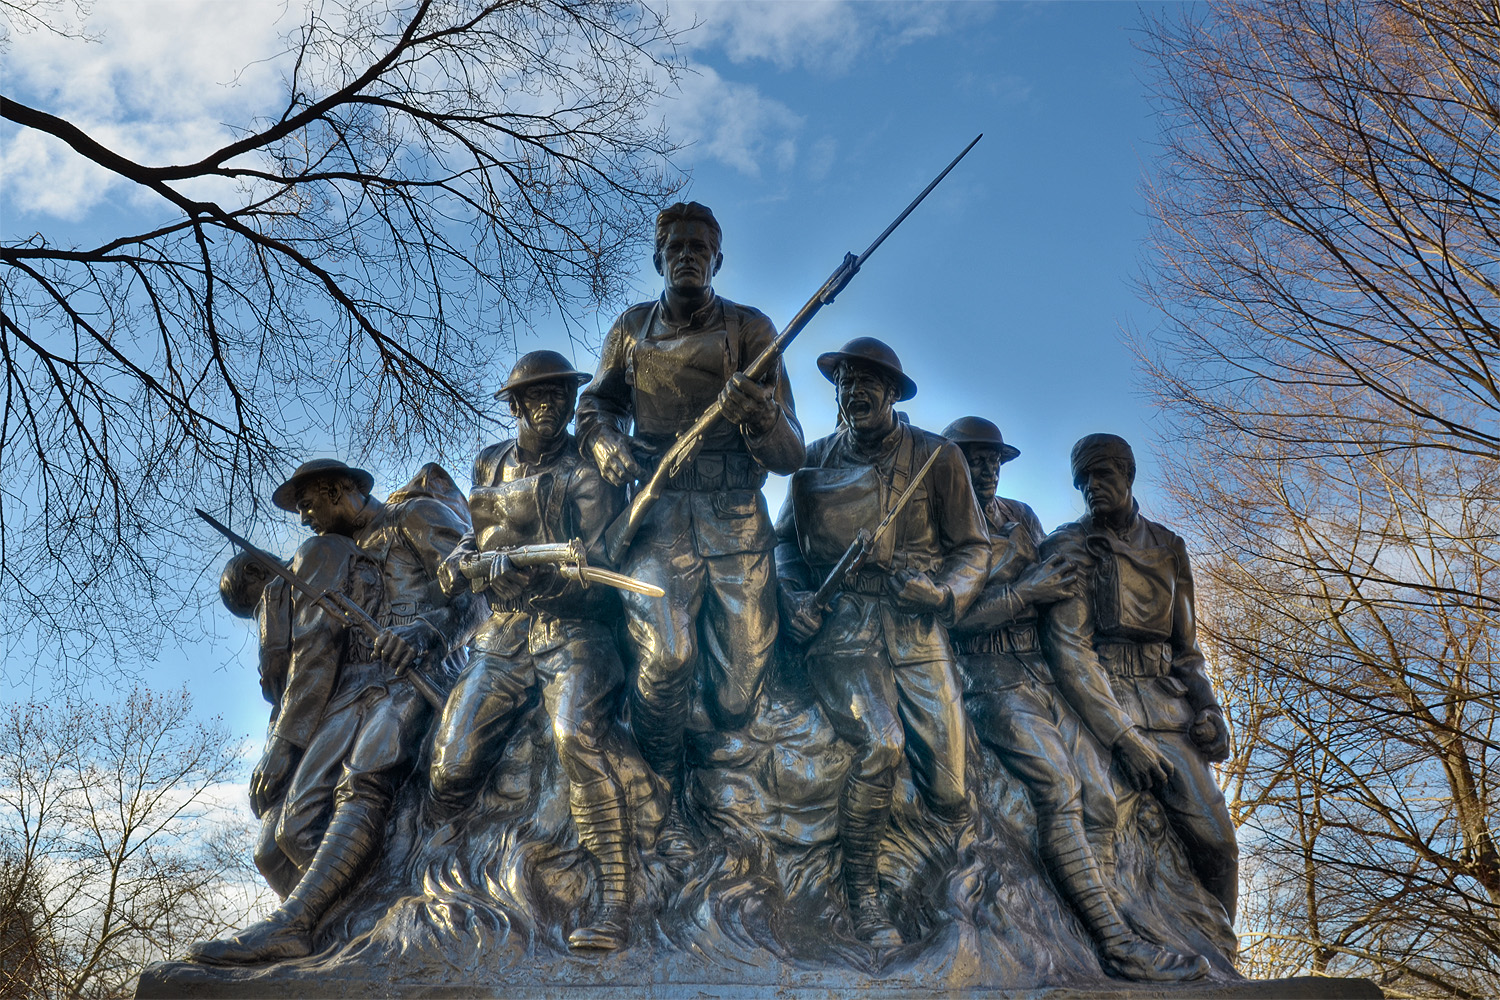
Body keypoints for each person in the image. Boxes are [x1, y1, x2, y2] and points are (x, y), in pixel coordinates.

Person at [191, 459, 486, 964]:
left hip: (422, 675)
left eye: (308, 504)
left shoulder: (416, 517)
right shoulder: (342, 554)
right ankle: (344, 930)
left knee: (366, 769)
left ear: (341, 490)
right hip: (359, 690)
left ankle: (299, 923)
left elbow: (479, 590)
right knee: (286, 831)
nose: (304, 519)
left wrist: (424, 634)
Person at [944, 418, 1207, 981]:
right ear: (948, 464)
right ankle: (1115, 944)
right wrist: (1025, 594)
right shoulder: (936, 524)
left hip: (1041, 672)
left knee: (1102, 796)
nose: (986, 469)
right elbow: (946, 618)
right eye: (972, 458)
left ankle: (1125, 930)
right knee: (1059, 787)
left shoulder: (1020, 518)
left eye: (994, 459)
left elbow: (1059, 591)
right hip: (987, 677)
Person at [576, 202, 804, 849]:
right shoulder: (630, 330)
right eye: (675, 246)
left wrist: (758, 415)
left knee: (735, 695)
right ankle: (661, 791)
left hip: (735, 518)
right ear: (657, 258)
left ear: (718, 260)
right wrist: (605, 444)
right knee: (668, 657)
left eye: (700, 247)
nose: (687, 254)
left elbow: (792, 454)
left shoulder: (752, 329)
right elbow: (594, 407)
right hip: (659, 513)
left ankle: (708, 770)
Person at [775, 338, 988, 947]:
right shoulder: (812, 461)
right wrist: (792, 595)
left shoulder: (938, 457)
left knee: (950, 788)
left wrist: (944, 593)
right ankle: (863, 895)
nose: (854, 392)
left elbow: (975, 548)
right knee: (882, 744)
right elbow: (784, 544)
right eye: (844, 382)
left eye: (868, 382)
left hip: (918, 627)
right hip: (844, 630)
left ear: (893, 393)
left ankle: (935, 892)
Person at [429, 350, 642, 952]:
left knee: (577, 738)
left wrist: (540, 579)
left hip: (573, 631)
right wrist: (463, 561)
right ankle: (447, 892)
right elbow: (476, 535)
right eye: (539, 398)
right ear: (517, 405)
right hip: (503, 634)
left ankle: (616, 904)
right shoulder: (490, 463)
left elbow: (602, 564)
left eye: (561, 397)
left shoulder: (588, 469)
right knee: (449, 766)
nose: (552, 408)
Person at [1040, 433, 1239, 921]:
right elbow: (1070, 651)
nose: (1092, 487)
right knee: (1098, 834)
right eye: (1082, 480)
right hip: (1094, 707)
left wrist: (1209, 708)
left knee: (1216, 842)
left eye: (1102, 475)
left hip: (1166, 707)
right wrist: (1122, 738)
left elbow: (1187, 651)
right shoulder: (1066, 545)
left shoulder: (1170, 548)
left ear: (1127, 476)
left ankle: (1223, 970)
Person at [217, 540, 382, 900]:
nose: (260, 613)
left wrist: (281, 748)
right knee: (268, 855)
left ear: (255, 571)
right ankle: (315, 932)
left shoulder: (309, 564)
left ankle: (366, 914)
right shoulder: (277, 603)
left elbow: (315, 655)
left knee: (297, 827)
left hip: (350, 697)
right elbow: (281, 691)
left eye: (254, 603)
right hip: (300, 719)